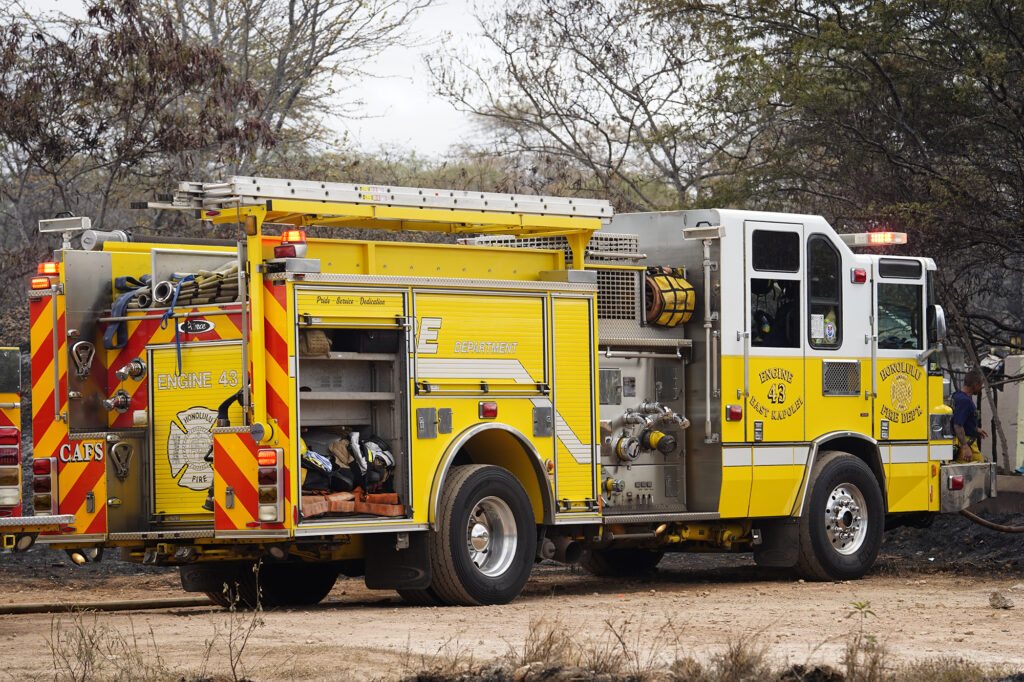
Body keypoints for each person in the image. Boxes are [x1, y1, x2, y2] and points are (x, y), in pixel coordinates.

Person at [952, 369, 988, 463]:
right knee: (980, 470)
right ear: (975, 384)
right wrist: (965, 447)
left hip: (960, 441)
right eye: (980, 385)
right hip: (965, 442)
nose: (980, 388)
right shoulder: (965, 401)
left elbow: (959, 419)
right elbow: (957, 425)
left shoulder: (957, 396)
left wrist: (975, 429)